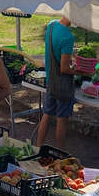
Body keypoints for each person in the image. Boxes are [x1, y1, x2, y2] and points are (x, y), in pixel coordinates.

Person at [36, 16, 76, 151]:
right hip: (63, 85)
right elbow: (64, 68)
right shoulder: (68, 37)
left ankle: (37, 148)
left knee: (47, 114)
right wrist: (81, 71)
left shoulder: (51, 25)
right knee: (61, 119)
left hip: (51, 81)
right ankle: (60, 153)